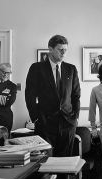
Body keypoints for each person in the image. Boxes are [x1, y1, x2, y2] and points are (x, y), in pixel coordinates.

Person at [25, 34, 81, 169]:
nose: (63, 53)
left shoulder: (71, 69)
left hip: (67, 124)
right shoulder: (37, 68)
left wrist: (75, 118)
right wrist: (36, 119)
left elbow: (76, 95)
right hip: (45, 123)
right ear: (50, 49)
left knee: (65, 165)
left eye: (65, 50)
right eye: (60, 49)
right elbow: (30, 95)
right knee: (45, 165)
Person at [0, 63, 17, 133]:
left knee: (4, 141)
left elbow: (10, 101)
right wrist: (2, 98)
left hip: (5, 117)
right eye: (4, 72)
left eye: (8, 73)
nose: (6, 75)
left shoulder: (12, 86)